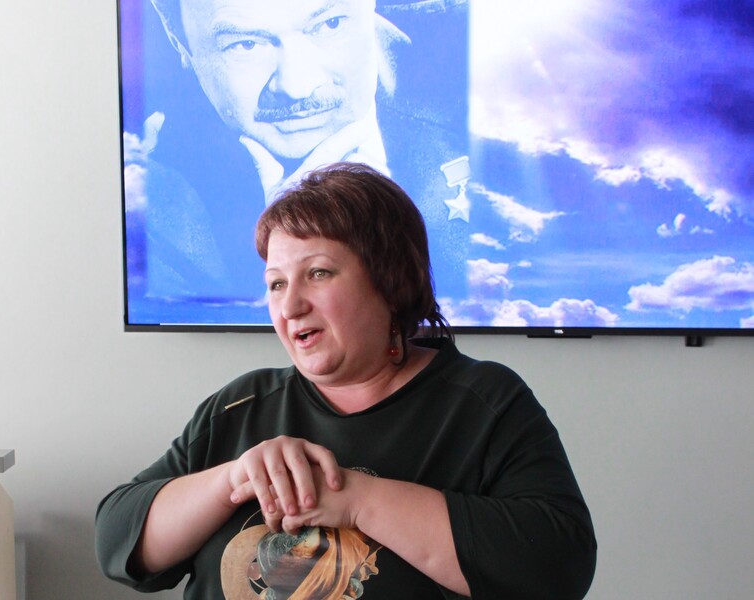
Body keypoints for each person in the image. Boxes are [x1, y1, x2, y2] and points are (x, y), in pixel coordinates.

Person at [97, 162, 597, 598]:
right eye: (276, 283)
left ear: (390, 280)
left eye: (318, 273)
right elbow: (116, 540)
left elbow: (559, 567)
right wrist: (233, 479)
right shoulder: (241, 405)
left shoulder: (484, 403)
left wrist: (360, 501)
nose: (290, 306)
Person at [122, 0, 469, 321]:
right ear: (180, 44)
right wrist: (289, 243)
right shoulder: (147, 191)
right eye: (246, 45)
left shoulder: (477, 93)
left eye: (330, 25)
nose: (297, 86)